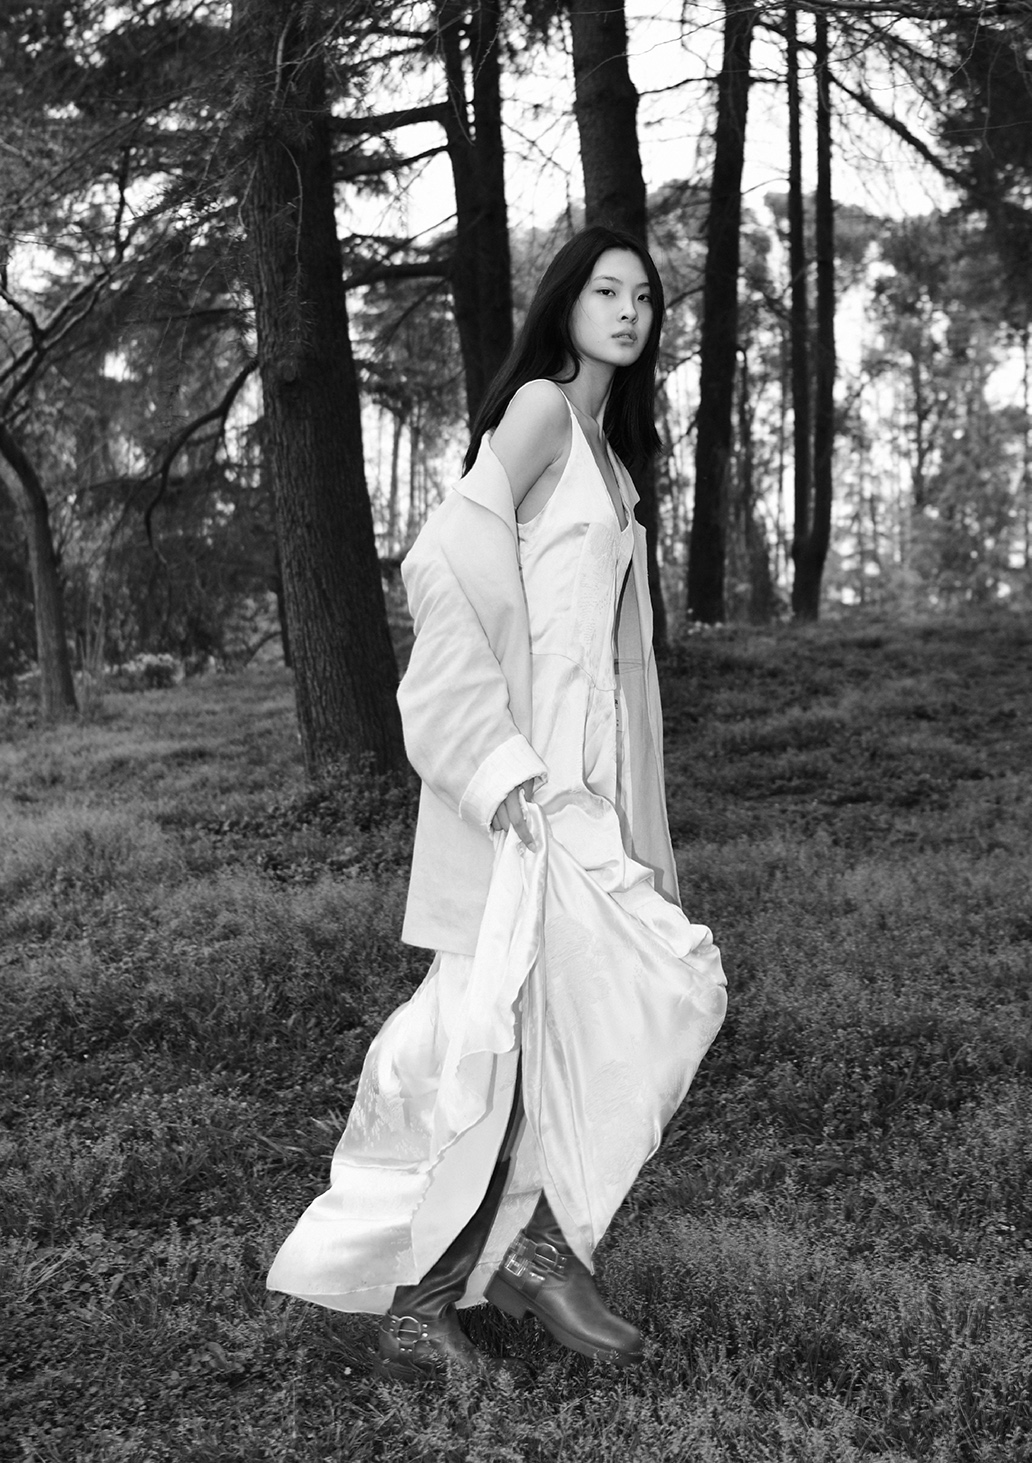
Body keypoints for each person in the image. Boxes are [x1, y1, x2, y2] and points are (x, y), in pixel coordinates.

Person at [266, 225, 727, 1383]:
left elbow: (620, 666)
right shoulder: (537, 411)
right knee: (487, 1039)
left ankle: (534, 1244)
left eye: (643, 297)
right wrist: (493, 762)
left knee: (655, 997)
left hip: (586, 792)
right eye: (605, 290)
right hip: (522, 789)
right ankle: (415, 1299)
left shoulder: (612, 460)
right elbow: (438, 563)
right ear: (565, 303)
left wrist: (640, 824)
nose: (627, 311)